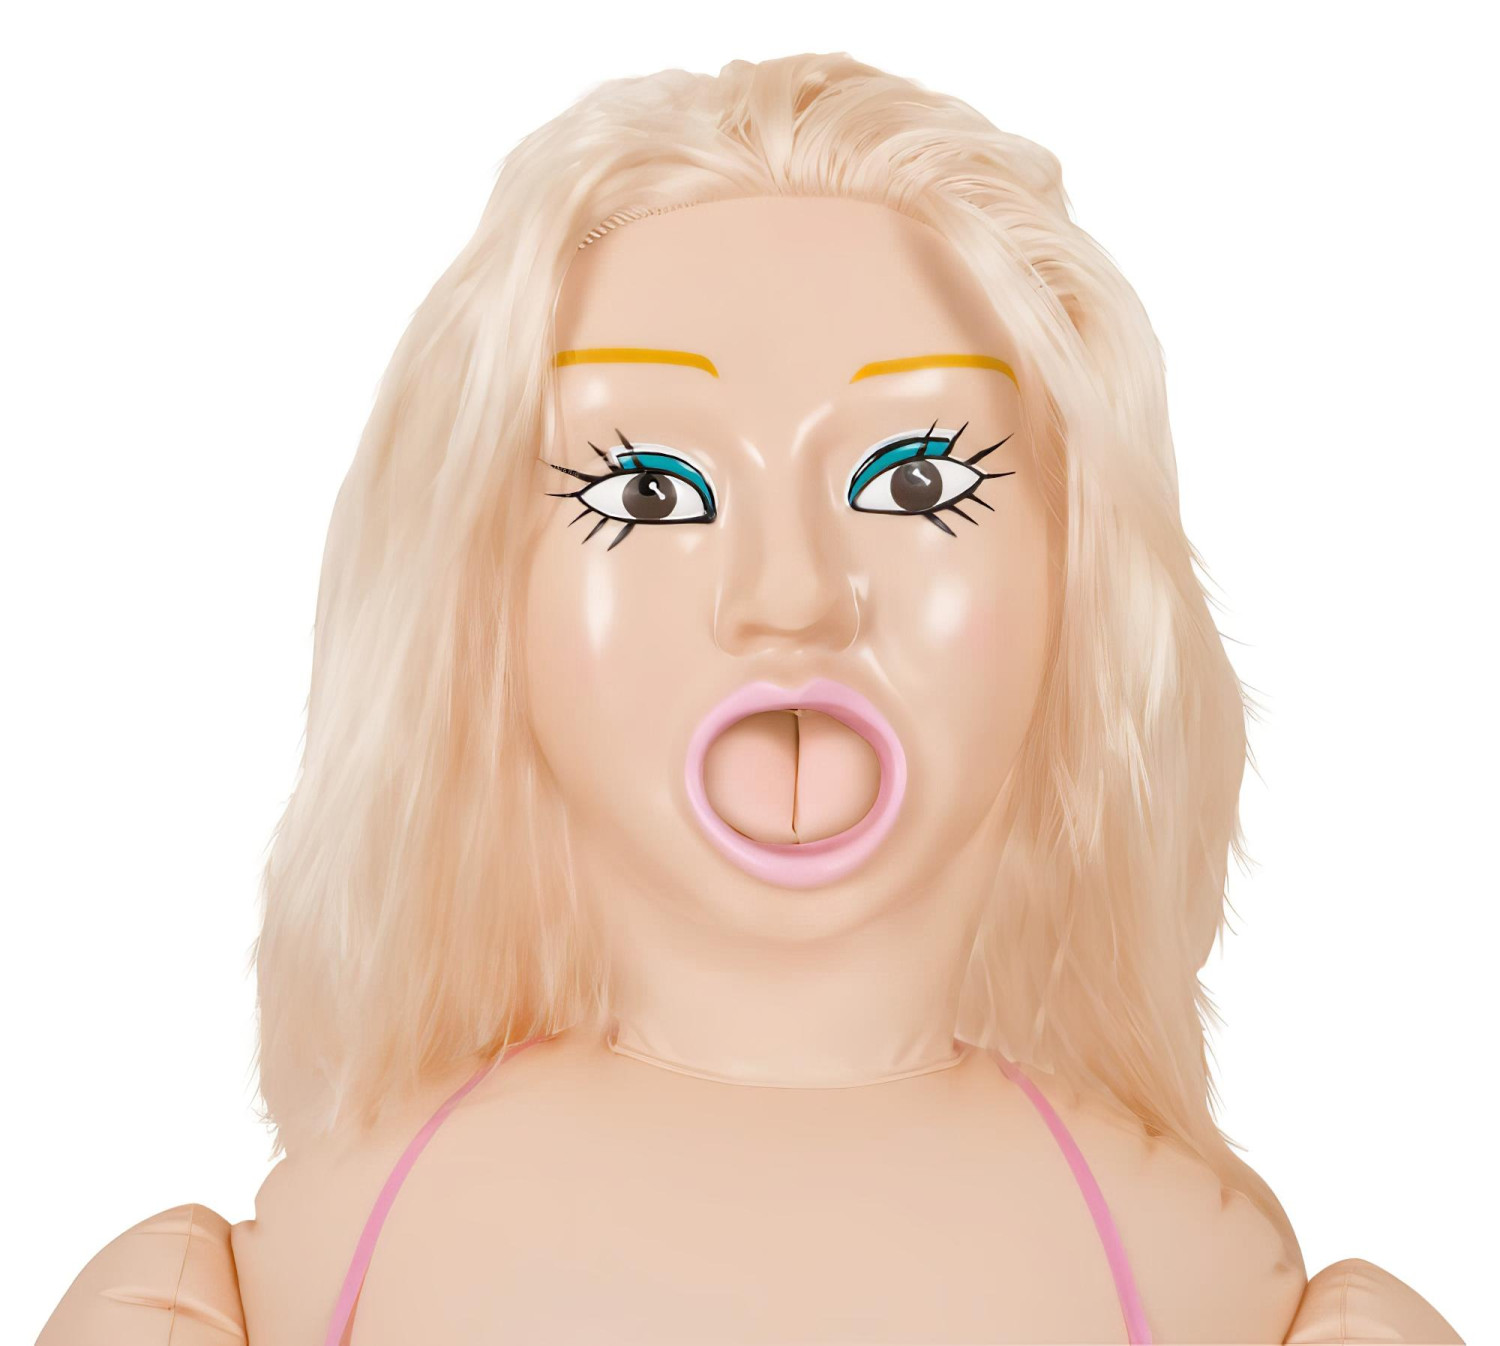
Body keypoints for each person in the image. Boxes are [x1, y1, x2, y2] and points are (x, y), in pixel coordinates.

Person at [38, 52, 1461, 1345]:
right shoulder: (278, 1270)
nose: (789, 595)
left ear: (1077, 569)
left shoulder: (1206, 1278)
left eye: (918, 481)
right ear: (484, 591)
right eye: (648, 492)